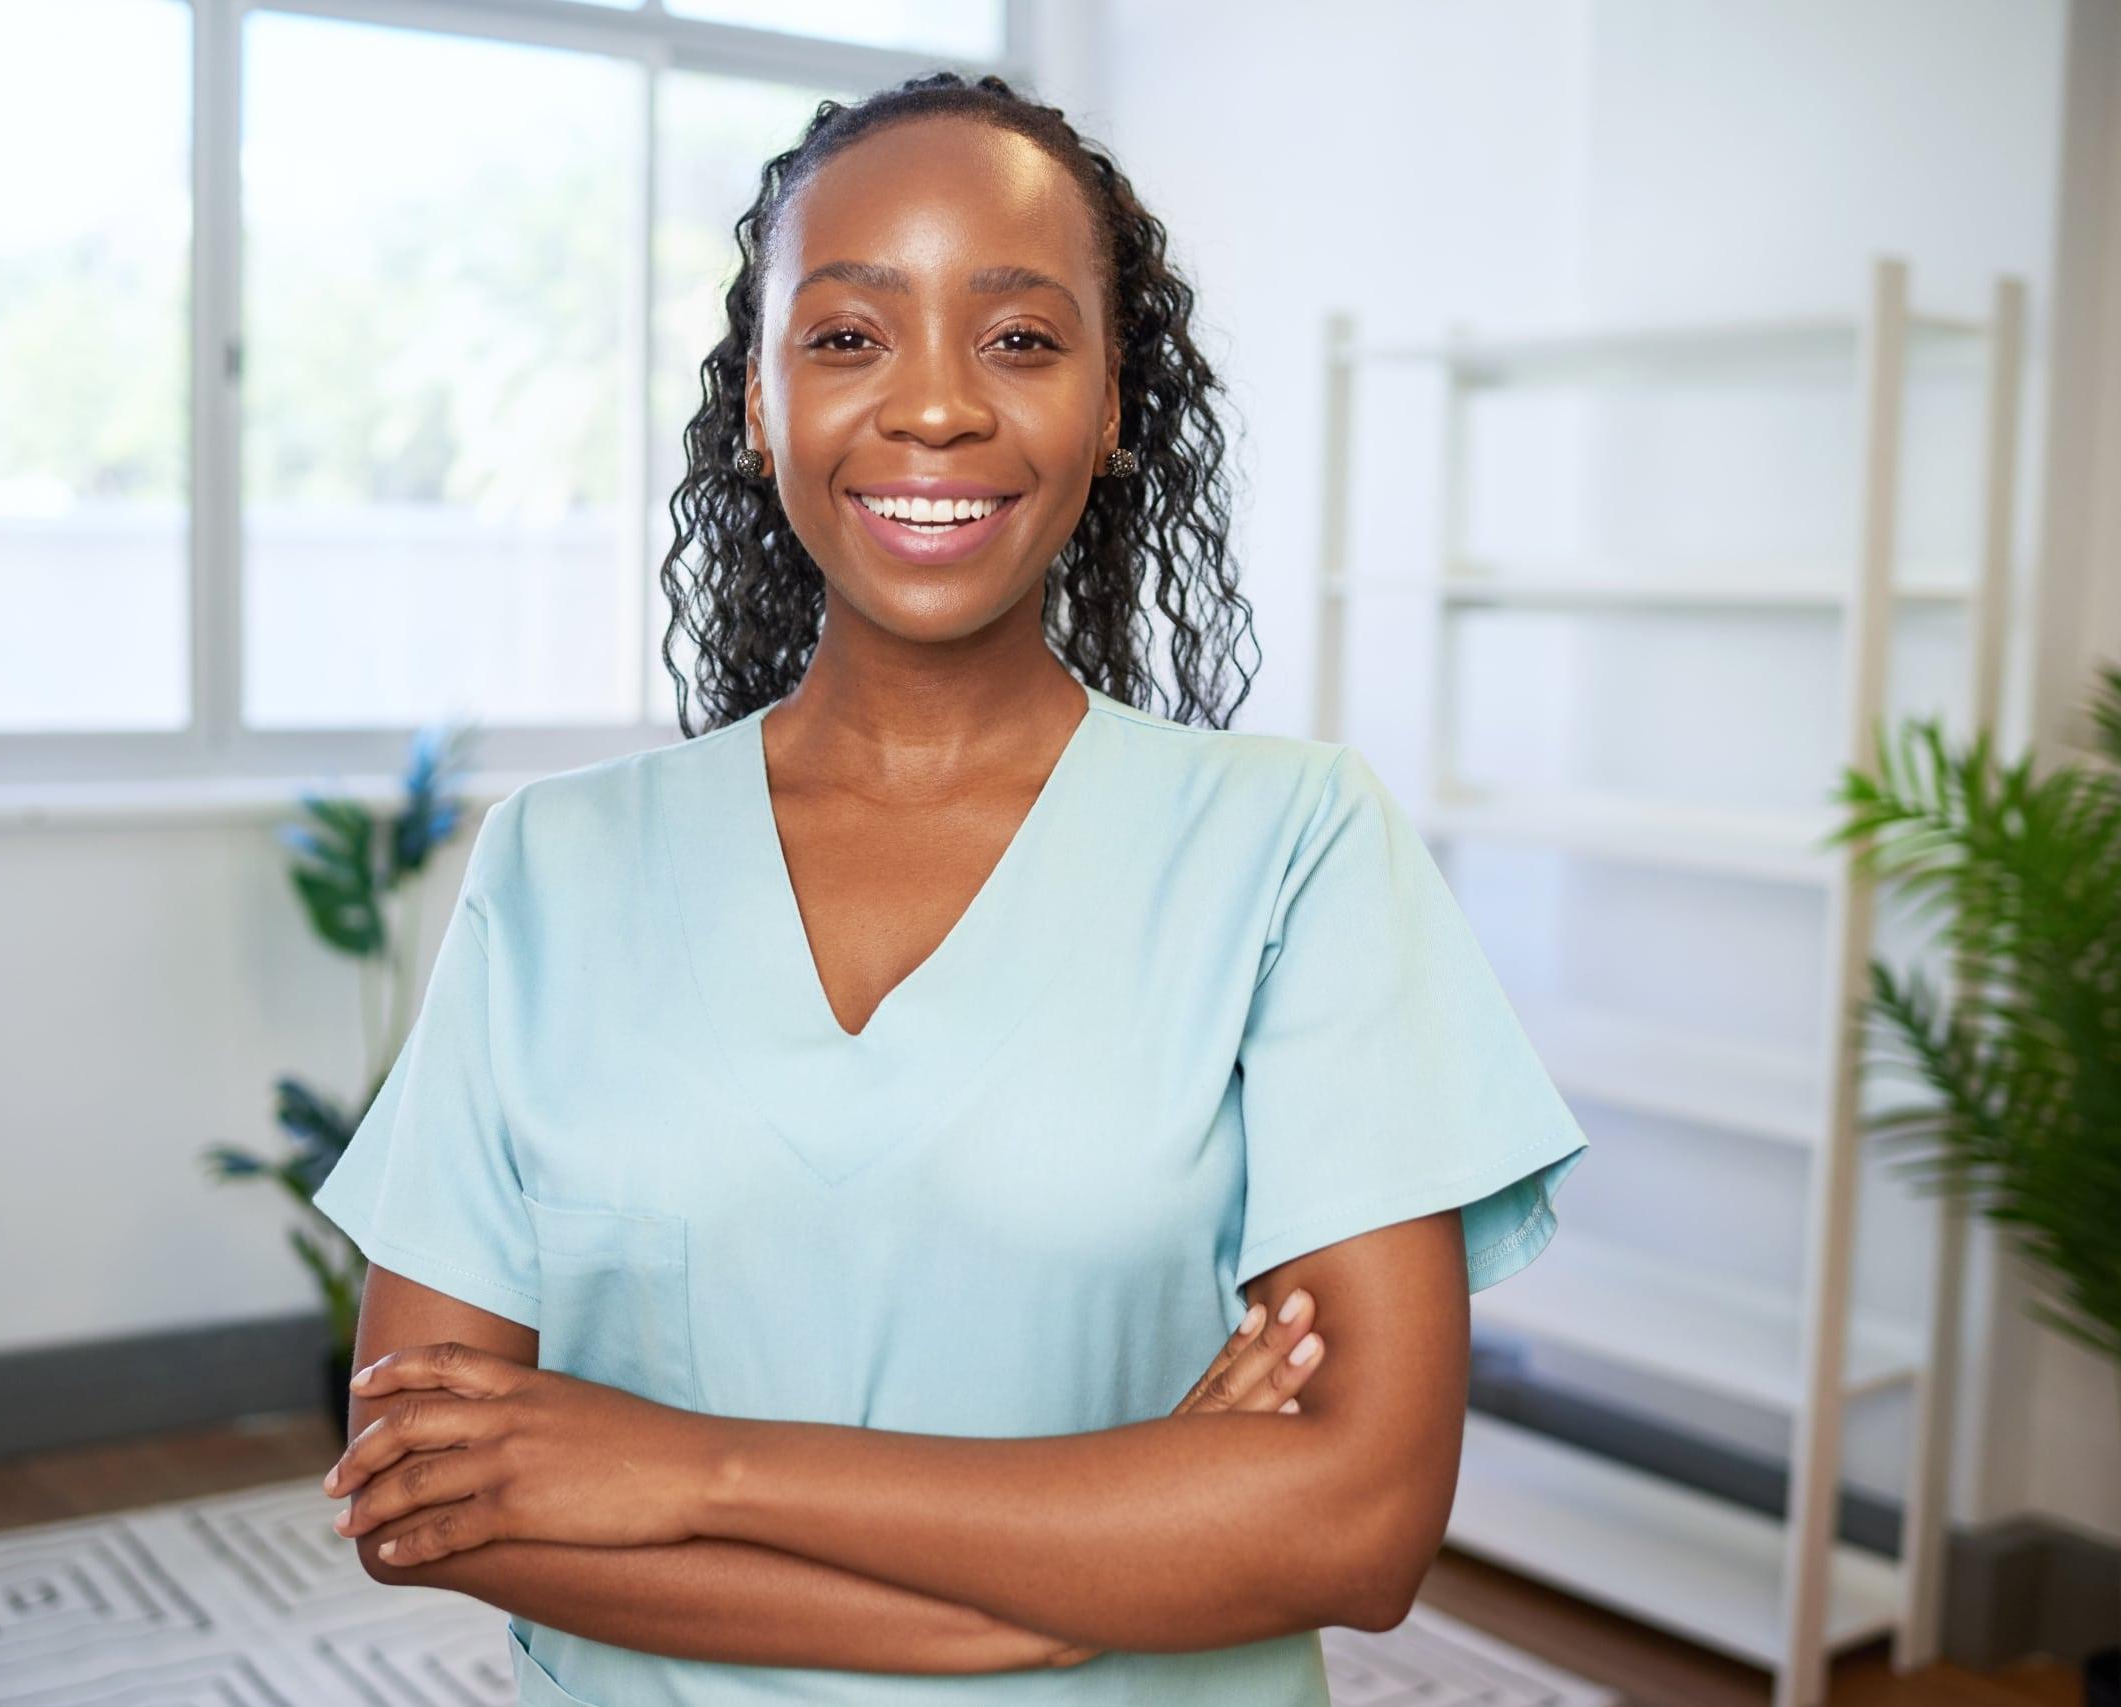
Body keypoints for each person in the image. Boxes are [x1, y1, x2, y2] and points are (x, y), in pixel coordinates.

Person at [312, 70, 1589, 1706]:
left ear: (1114, 401)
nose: (934, 409)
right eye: (848, 337)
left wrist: (688, 1469)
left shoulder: (1296, 850)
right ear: (760, 401)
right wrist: (1057, 1591)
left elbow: (1355, 1524)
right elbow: (423, 1493)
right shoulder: (556, 868)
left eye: (1021, 339)